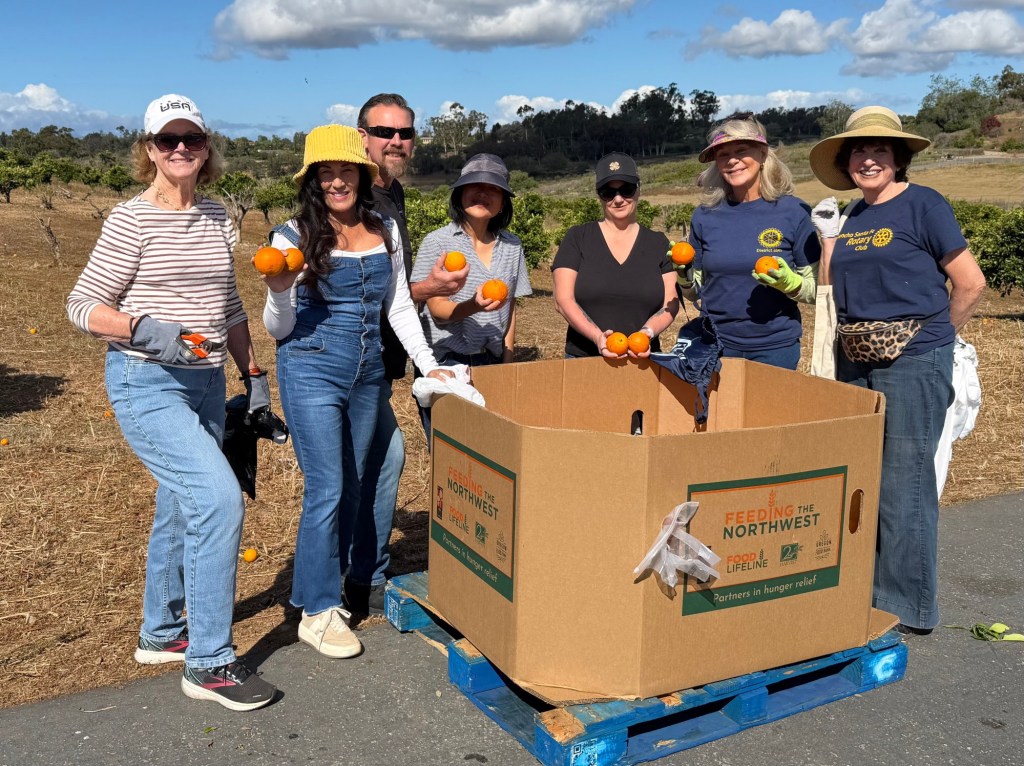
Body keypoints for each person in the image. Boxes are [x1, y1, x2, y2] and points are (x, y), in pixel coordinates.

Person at [66, 94, 276, 711]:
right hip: (147, 382)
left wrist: (254, 374)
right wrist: (147, 330)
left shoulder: (217, 216)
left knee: (181, 507)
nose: (180, 149)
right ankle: (208, 663)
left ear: (206, 147)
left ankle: (162, 632)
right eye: (167, 140)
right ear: (148, 149)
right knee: (215, 498)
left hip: (209, 384)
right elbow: (81, 306)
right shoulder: (129, 220)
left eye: (192, 139)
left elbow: (228, 303)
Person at [261, 124, 450, 658]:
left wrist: (429, 365)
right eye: (326, 172)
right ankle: (317, 612)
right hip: (312, 368)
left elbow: (396, 308)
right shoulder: (291, 238)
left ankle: (335, 588)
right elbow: (278, 327)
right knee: (328, 485)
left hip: (368, 373)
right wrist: (279, 290)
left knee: (360, 480)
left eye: (346, 171)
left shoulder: (383, 226)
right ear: (313, 180)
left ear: (363, 176)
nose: (336, 181)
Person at [808, 105, 986, 634]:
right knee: (864, 475)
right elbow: (830, 286)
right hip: (856, 355)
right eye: (859, 151)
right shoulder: (853, 217)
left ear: (899, 158)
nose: (868, 159)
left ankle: (907, 606)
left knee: (904, 482)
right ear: (847, 162)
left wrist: (936, 337)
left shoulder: (924, 205)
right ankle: (868, 588)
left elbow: (970, 282)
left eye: (879, 150)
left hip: (914, 358)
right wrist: (827, 239)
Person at [340, 93, 468, 616]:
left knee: (376, 463)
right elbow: (364, 291)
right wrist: (428, 287)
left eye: (405, 133)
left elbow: (391, 290)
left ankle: (361, 576)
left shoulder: (392, 196)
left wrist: (419, 351)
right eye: (385, 132)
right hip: (349, 355)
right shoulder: (352, 196)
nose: (396, 141)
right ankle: (349, 581)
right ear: (362, 135)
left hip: (382, 354)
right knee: (361, 467)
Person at [678, 116, 820, 370]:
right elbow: (695, 292)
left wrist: (791, 284)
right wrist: (684, 276)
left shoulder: (793, 211)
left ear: (763, 154)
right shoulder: (705, 215)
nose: (732, 160)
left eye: (742, 151)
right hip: (716, 344)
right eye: (723, 155)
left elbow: (818, 290)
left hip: (775, 347)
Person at [410, 153, 532, 438]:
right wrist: (472, 306)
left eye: (493, 188)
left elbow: (510, 307)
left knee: (491, 451)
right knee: (451, 458)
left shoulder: (512, 245)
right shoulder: (438, 242)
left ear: (503, 201)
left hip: (490, 361)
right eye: (474, 185)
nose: (482, 193)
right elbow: (437, 309)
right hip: (447, 364)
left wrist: (507, 363)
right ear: (459, 194)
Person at [552, 152, 678, 358]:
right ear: (598, 195)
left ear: (638, 190)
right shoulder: (578, 238)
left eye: (626, 190)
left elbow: (670, 303)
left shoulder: (658, 243)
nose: (618, 199)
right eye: (607, 192)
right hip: (583, 360)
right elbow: (563, 300)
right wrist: (597, 337)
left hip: (643, 360)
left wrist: (647, 333)